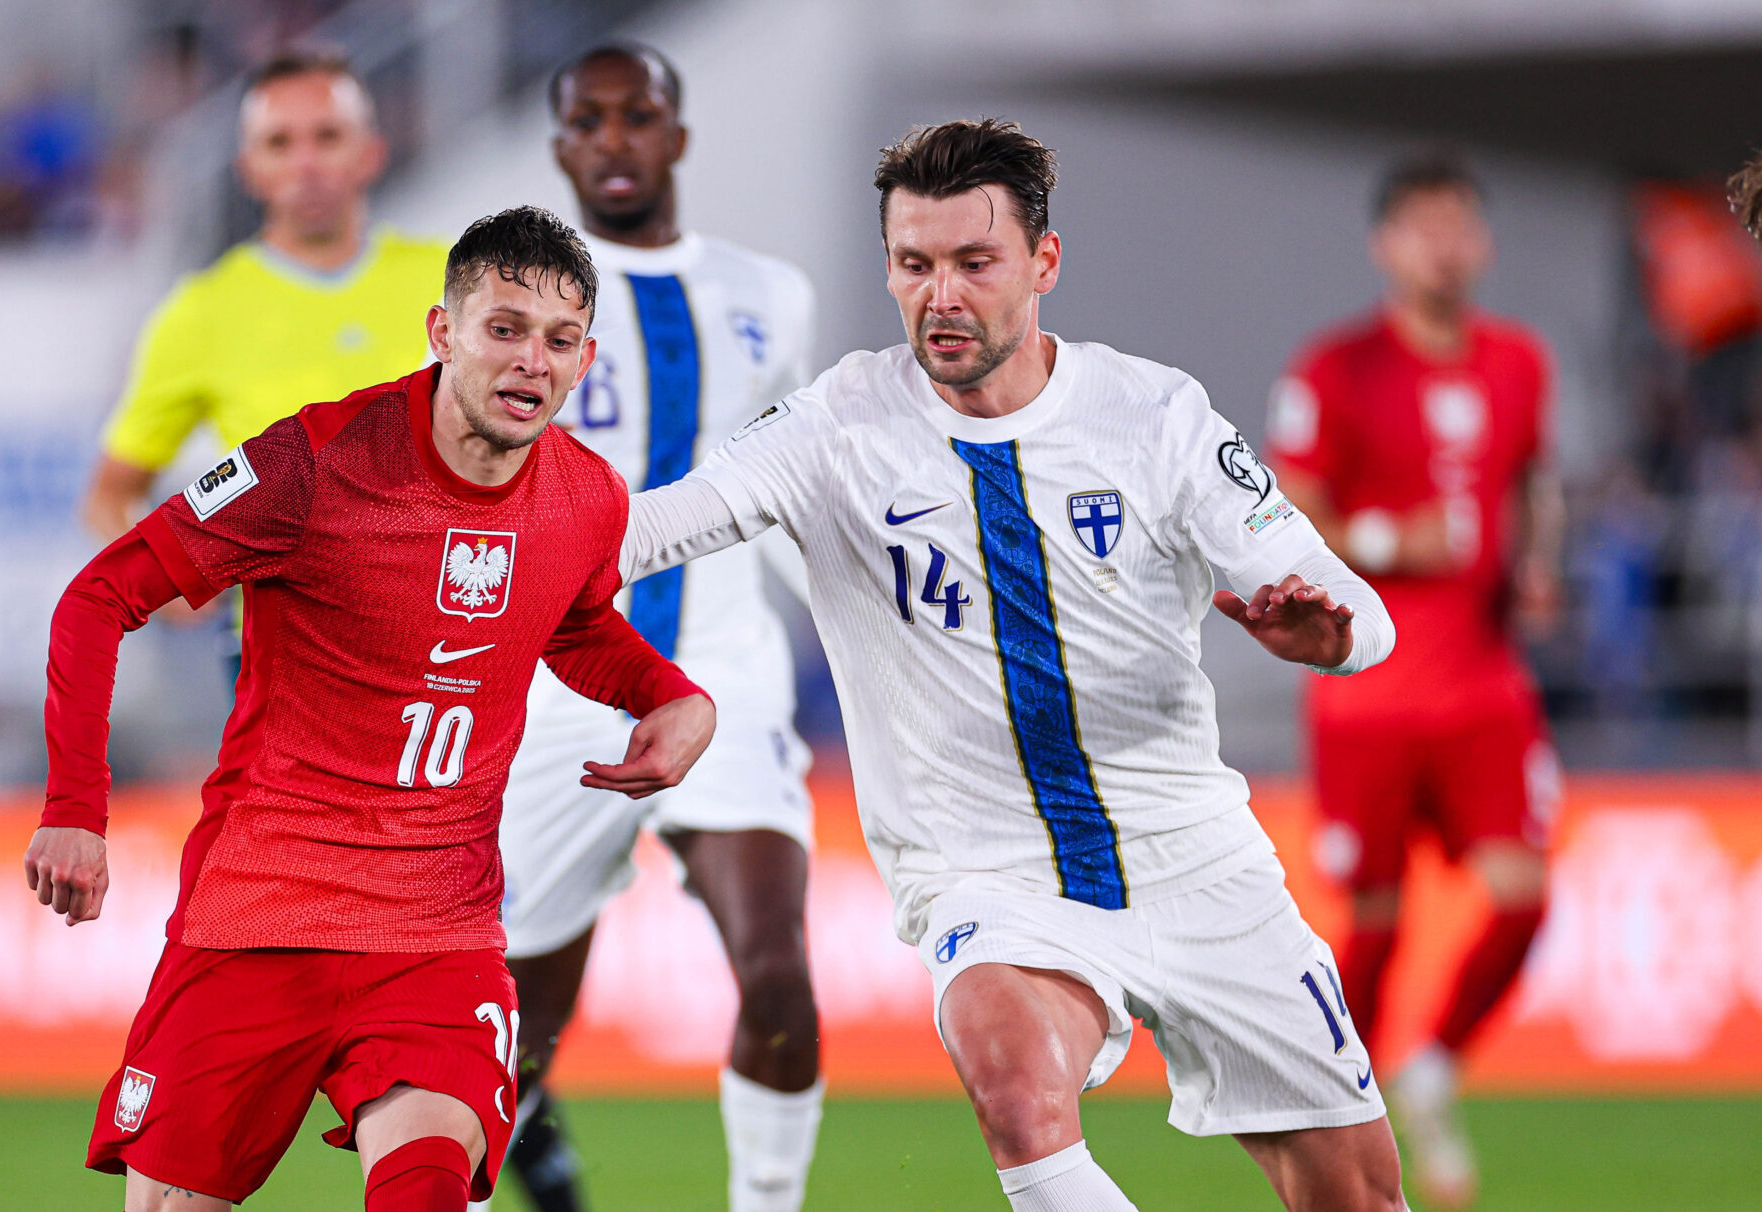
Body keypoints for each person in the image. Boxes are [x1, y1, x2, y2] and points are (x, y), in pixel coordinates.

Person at [618, 119, 1410, 1211]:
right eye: (913, 263)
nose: (939, 294)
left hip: (1197, 860)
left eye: (972, 262)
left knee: (1358, 1197)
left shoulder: (1156, 417)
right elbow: (647, 529)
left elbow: (1354, 609)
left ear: (1043, 262)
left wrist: (1332, 636)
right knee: (1013, 1086)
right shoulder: (832, 427)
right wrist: (467, 521)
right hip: (984, 873)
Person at [25, 206, 717, 1212]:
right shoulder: (311, 464)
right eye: (505, 329)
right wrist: (74, 813)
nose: (532, 361)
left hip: (437, 932)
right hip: (259, 913)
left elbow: (568, 621)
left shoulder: (588, 498)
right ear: (443, 333)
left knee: (430, 1190)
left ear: (585, 360)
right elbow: (99, 598)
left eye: (559, 341)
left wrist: (670, 696)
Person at [493, 42, 820, 1212]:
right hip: (552, 699)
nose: (615, 138)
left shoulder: (768, 295)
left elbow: (795, 482)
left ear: (676, 135)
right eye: (590, 119)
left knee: (779, 980)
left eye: (639, 117)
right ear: (561, 146)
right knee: (514, 1035)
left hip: (724, 678)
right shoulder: (512, 307)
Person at [1266, 151, 1560, 1209]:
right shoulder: (1335, 370)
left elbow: (1531, 480)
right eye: (1421, 224)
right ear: (1385, 243)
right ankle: (1333, 1108)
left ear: (1480, 240)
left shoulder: (1520, 363)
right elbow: (1283, 517)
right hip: (1369, 691)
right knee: (1377, 924)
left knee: (1524, 898)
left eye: (1459, 223)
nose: (1443, 243)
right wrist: (1394, 536)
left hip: (1483, 685)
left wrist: (1536, 563)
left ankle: (1429, 1061)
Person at [79, 49, 449, 542]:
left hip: (444, 613)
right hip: (271, 619)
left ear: (371, 152)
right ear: (247, 168)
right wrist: (174, 587)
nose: (307, 163)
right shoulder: (203, 311)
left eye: (328, 136)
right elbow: (110, 496)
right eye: (279, 143)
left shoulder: (456, 280)